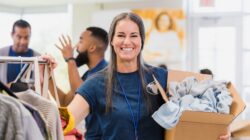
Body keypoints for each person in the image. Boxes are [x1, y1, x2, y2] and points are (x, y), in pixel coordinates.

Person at [67, 12, 230, 140]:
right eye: (121, 35)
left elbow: (206, 101)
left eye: (134, 35)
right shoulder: (95, 83)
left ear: (142, 41)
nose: (127, 42)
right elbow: (64, 121)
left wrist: (222, 128)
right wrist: (44, 78)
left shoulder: (161, 77)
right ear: (112, 41)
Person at [53, 27, 109, 140]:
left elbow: (83, 92)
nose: (76, 47)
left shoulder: (105, 73)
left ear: (92, 47)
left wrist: (70, 59)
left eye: (81, 41)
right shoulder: (88, 75)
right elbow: (65, 102)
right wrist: (49, 77)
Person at [0, 19, 40, 84]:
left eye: (26, 37)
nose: (23, 42)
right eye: (19, 37)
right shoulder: (1, 54)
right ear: (12, 35)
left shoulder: (38, 57)